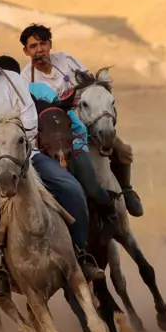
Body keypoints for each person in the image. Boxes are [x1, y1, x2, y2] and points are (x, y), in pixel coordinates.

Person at [0, 27, 104, 299]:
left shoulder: (14, 80)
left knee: (71, 187)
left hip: (25, 157)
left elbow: (29, 122)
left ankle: (80, 254)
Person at [18, 23, 143, 217]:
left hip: (85, 119)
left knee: (122, 150)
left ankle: (126, 191)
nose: (39, 50)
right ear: (26, 51)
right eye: (33, 46)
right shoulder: (26, 79)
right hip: (59, 133)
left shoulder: (67, 61)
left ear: (50, 45)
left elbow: (89, 85)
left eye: (43, 44)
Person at [0, 55, 117, 221]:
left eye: (9, 78)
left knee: (87, 187)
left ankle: (111, 213)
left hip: (60, 147)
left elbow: (67, 117)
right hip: (16, 158)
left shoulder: (40, 90)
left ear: (17, 77)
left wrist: (78, 143)